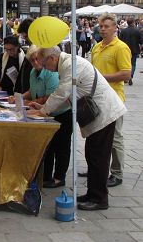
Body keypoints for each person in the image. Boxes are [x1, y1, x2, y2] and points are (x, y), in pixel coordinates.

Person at [29, 46, 126, 211]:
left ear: (52, 58)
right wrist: (44, 107)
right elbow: (68, 96)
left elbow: (62, 93)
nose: (45, 68)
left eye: (45, 65)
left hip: (105, 113)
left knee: (98, 157)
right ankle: (92, 193)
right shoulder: (66, 64)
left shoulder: (70, 65)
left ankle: (99, 198)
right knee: (92, 154)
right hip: (100, 113)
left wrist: (43, 111)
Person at [90, 12, 131, 187]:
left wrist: (101, 78)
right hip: (97, 98)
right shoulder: (96, 47)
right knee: (96, 135)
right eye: (102, 26)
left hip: (114, 98)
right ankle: (98, 168)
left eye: (107, 26)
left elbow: (126, 74)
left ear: (115, 28)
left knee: (115, 137)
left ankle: (117, 173)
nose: (104, 29)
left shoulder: (121, 47)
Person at [22, 45, 72, 188]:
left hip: (61, 113)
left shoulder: (53, 71)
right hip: (45, 112)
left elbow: (55, 95)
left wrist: (36, 106)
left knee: (61, 146)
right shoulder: (33, 72)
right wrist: (21, 98)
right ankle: (46, 176)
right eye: (32, 61)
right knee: (47, 146)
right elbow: (32, 91)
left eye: (38, 59)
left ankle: (59, 177)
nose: (36, 63)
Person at [119, 17, 143, 85]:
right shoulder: (137, 31)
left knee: (125, 64)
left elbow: (120, 40)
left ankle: (126, 77)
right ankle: (130, 76)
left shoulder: (123, 31)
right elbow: (141, 41)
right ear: (133, 23)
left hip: (124, 49)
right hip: (134, 49)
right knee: (133, 64)